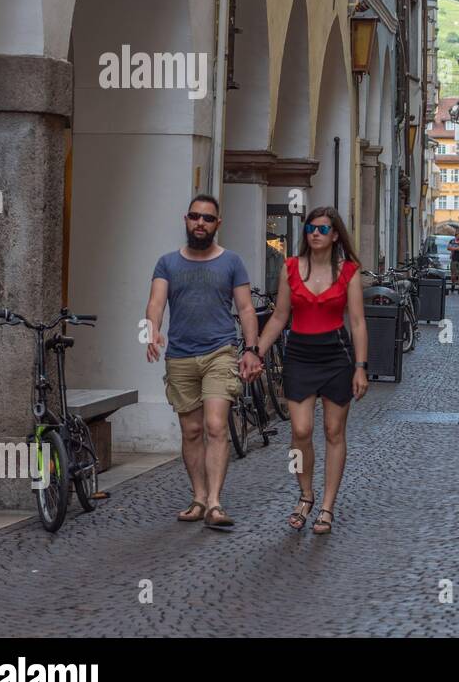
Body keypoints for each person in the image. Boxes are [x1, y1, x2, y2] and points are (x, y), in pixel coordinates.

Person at [146, 194, 262, 531]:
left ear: (217, 224)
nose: (200, 223)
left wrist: (251, 348)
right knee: (192, 430)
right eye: (195, 217)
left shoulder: (232, 262)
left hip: (219, 352)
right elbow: (155, 303)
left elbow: (245, 309)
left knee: (215, 426)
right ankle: (198, 497)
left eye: (207, 218)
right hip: (180, 356)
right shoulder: (167, 263)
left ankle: (214, 502)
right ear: (186, 219)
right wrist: (152, 332)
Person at [254, 206, 368, 535]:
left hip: (337, 355)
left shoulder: (349, 271)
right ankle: (306, 495)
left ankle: (327, 506)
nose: (314, 234)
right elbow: (279, 317)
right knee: (301, 431)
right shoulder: (291, 268)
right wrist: (256, 352)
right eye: (310, 229)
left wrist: (360, 367)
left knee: (334, 432)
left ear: (335, 235)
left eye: (321, 229)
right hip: (300, 355)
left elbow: (358, 323)